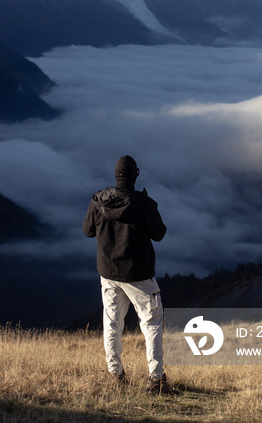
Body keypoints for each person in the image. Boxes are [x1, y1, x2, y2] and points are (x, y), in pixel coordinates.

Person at [82, 155, 172, 394]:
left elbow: (87, 231)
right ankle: (156, 379)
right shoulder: (144, 204)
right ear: (136, 175)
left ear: (115, 176)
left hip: (109, 273)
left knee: (112, 323)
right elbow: (159, 233)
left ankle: (116, 374)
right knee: (152, 323)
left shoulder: (98, 201)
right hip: (139, 274)